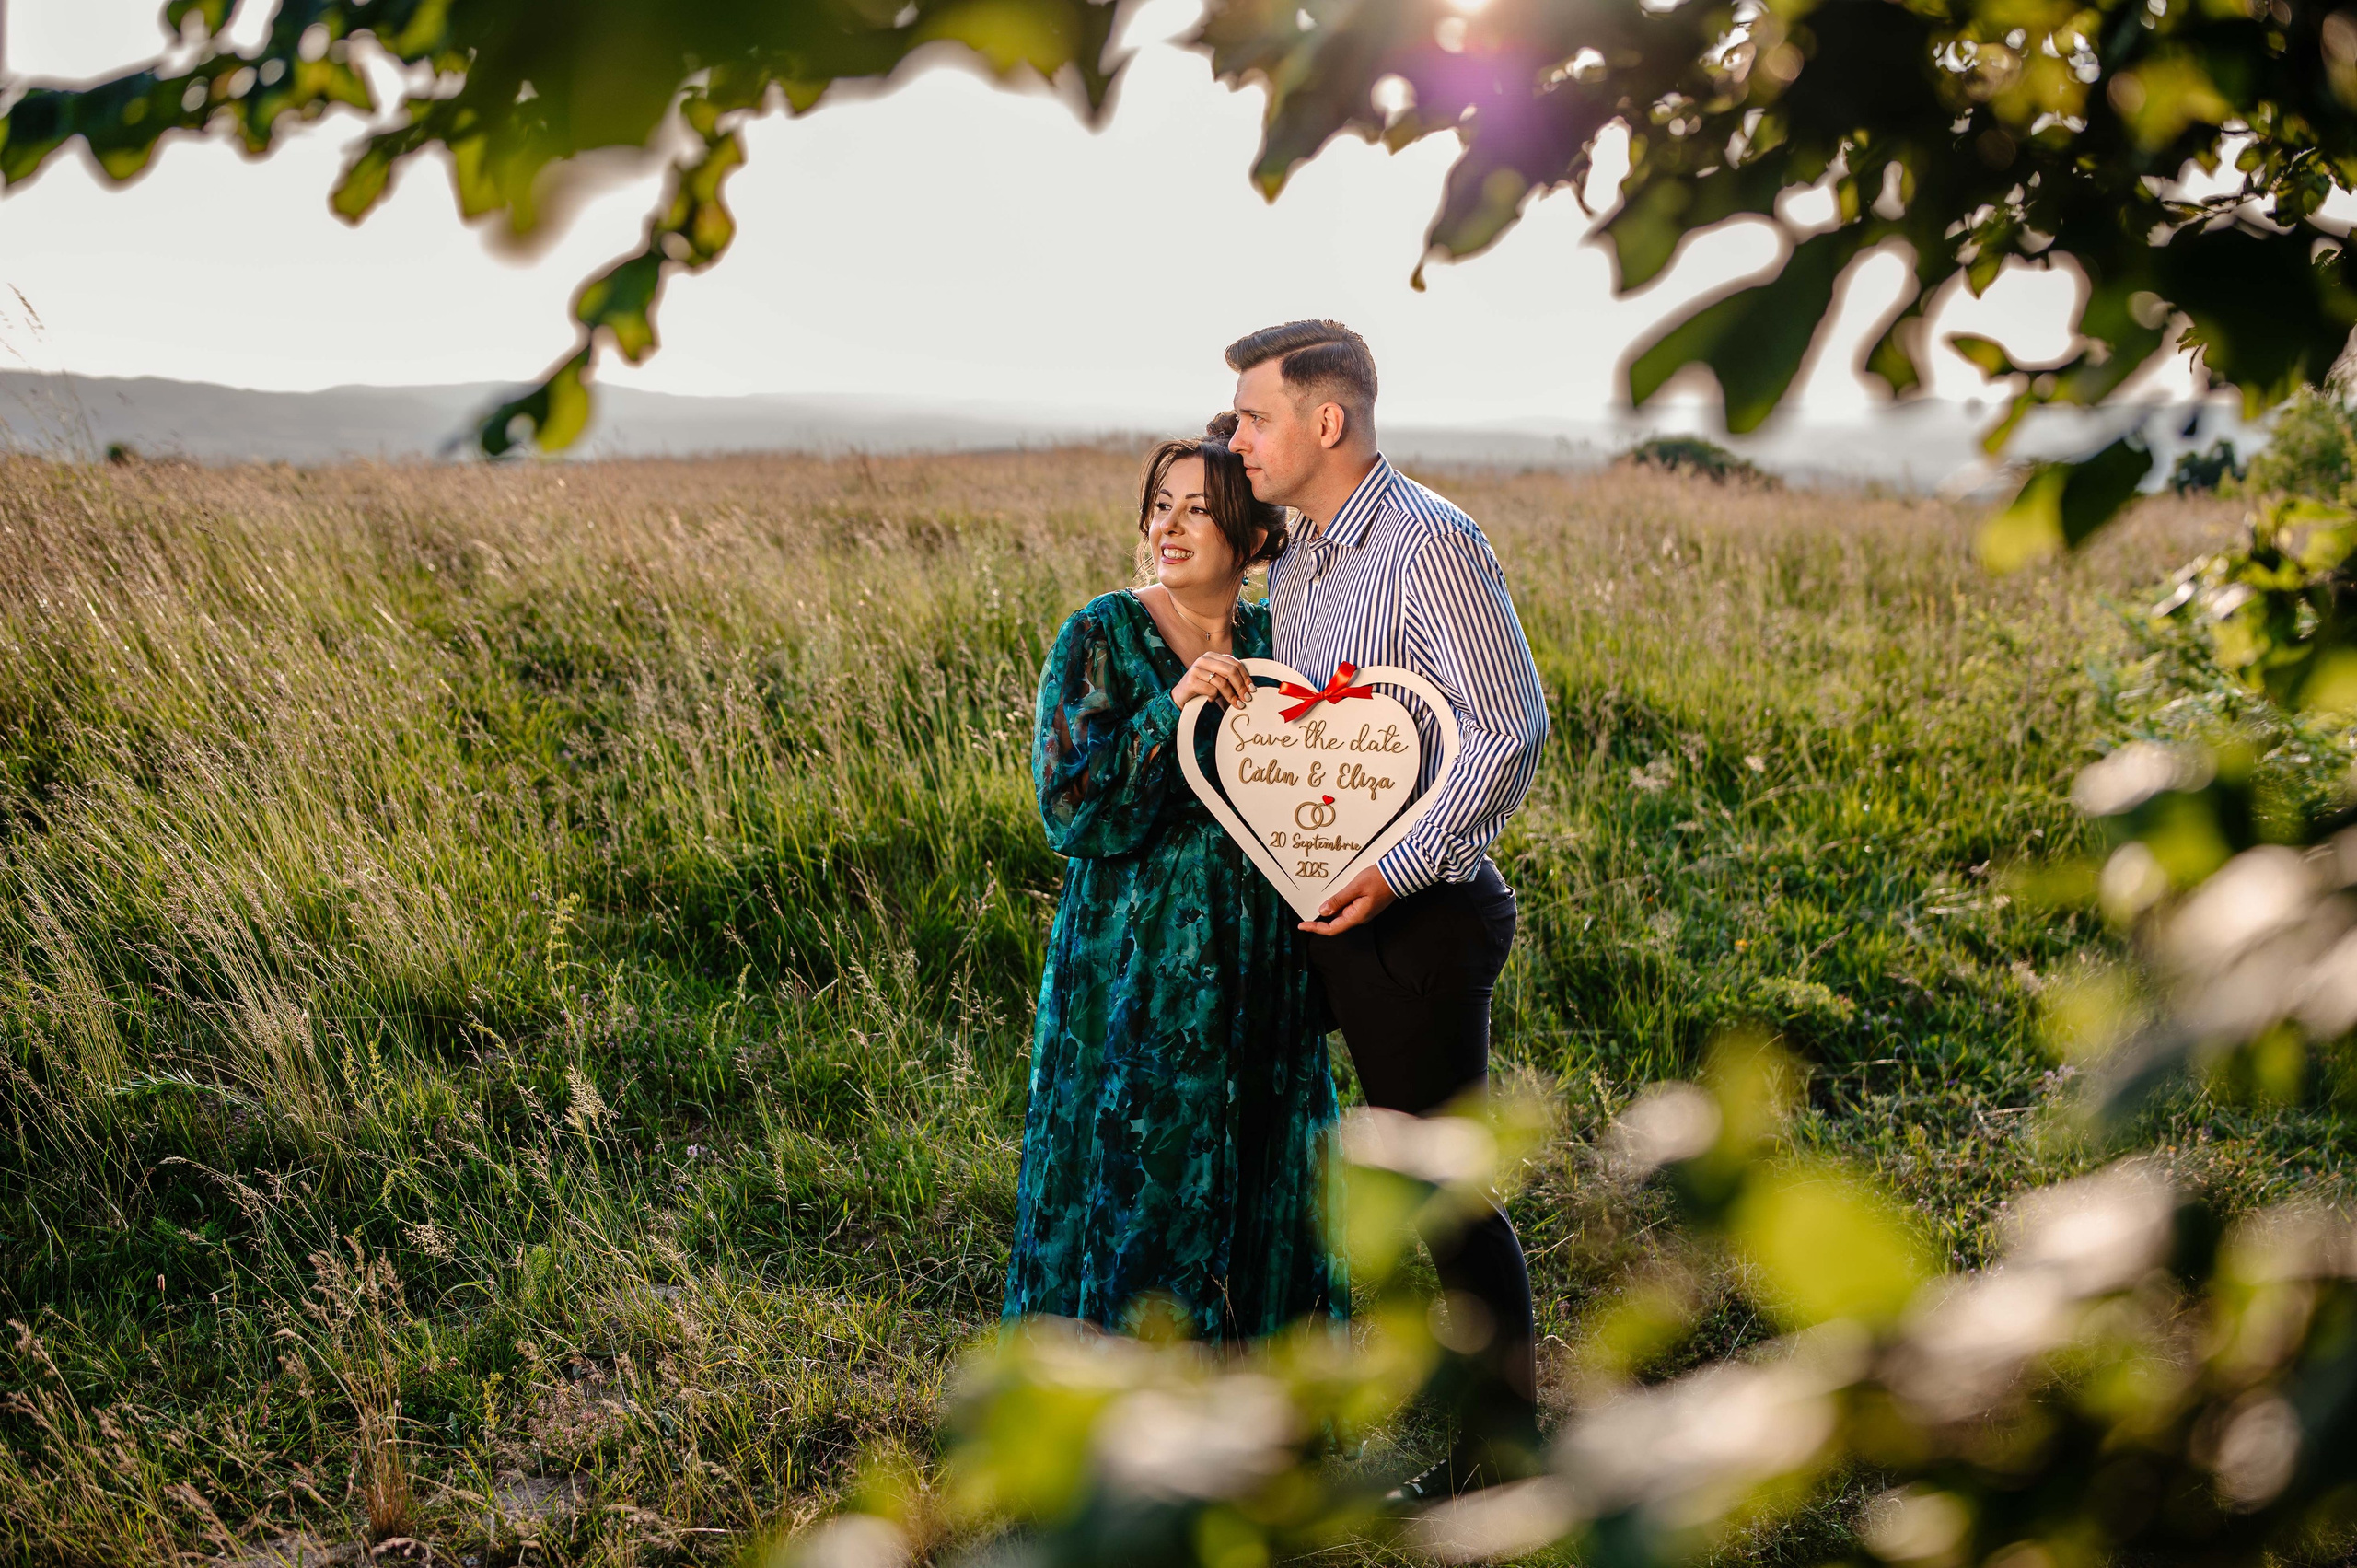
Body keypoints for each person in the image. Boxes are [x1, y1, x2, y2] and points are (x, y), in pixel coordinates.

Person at [1223, 319, 1551, 1501]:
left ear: (1327, 419)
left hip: (1416, 914)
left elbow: (1508, 725)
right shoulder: (1301, 554)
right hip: (1325, 904)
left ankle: (1504, 1450)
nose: (1236, 436)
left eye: (1254, 414)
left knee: (1444, 1194)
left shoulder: (1430, 541)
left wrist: (1394, 867)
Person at [1002, 413, 1349, 1341]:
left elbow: (1326, 797)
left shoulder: (1286, 642)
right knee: (1145, 1164)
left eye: (1200, 509)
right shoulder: (1101, 633)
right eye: (1161, 505)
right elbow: (1068, 809)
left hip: (1260, 958)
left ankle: (1265, 1417)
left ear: (1256, 534)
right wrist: (1171, 706)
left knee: (1265, 1161)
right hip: (1137, 966)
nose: (1170, 526)